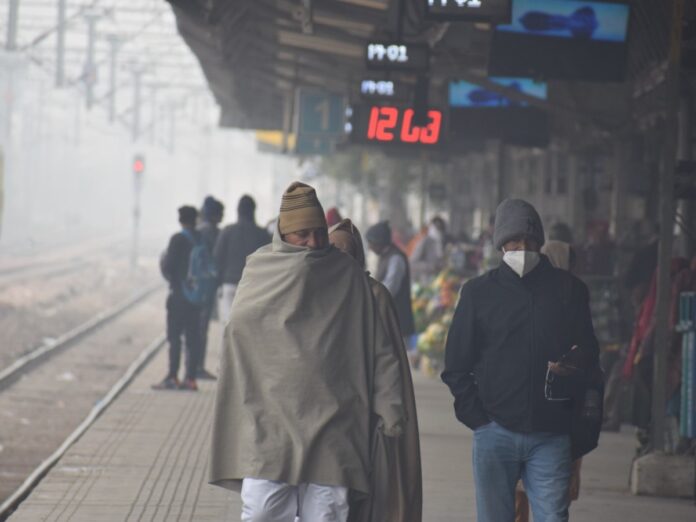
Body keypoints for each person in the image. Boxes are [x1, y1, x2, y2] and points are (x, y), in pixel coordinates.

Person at [209, 182, 405, 522]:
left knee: (327, 516)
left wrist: (390, 408)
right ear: (284, 233)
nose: (313, 243)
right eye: (303, 234)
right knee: (261, 513)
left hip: (335, 423)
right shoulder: (259, 270)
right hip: (268, 421)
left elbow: (379, 348)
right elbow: (238, 334)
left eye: (318, 233)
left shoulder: (348, 276)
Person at [442, 198, 600, 522]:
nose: (522, 247)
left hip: (552, 435)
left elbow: (589, 360)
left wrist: (580, 425)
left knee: (553, 517)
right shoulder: (478, 293)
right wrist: (479, 420)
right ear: (500, 245)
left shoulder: (569, 291)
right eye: (514, 241)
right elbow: (457, 364)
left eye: (529, 241)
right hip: (494, 433)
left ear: (540, 243)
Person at [329, 218, 422, 522]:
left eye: (346, 250)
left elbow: (388, 362)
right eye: (331, 249)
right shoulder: (313, 291)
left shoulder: (375, 295)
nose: (338, 256)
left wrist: (388, 414)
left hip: (365, 417)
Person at [153, 205, 203, 391]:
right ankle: (190, 378)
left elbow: (169, 266)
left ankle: (172, 376)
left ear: (180, 220)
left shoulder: (178, 239)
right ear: (196, 220)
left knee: (174, 337)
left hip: (178, 295)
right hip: (196, 297)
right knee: (193, 338)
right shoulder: (201, 239)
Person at [213, 195, 271, 324]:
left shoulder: (227, 231)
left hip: (229, 285)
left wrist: (219, 283)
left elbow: (217, 259)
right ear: (253, 211)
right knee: (250, 328)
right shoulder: (262, 234)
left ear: (238, 211)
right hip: (254, 287)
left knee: (229, 328)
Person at [366, 221, 416, 347]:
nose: (370, 247)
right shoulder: (385, 256)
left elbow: (389, 288)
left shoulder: (396, 258)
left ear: (379, 242)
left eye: (371, 243)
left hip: (397, 318)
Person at [197, 196, 224, 380]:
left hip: (197, 287)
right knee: (201, 327)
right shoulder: (211, 232)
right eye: (220, 213)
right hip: (205, 287)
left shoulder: (199, 229)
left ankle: (195, 368)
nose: (223, 216)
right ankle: (197, 367)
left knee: (198, 327)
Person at [410, 216, 447, 285]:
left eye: (440, 227)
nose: (438, 230)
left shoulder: (444, 241)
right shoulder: (425, 241)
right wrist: (431, 266)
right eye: (437, 227)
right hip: (426, 282)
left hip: (443, 282)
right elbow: (412, 263)